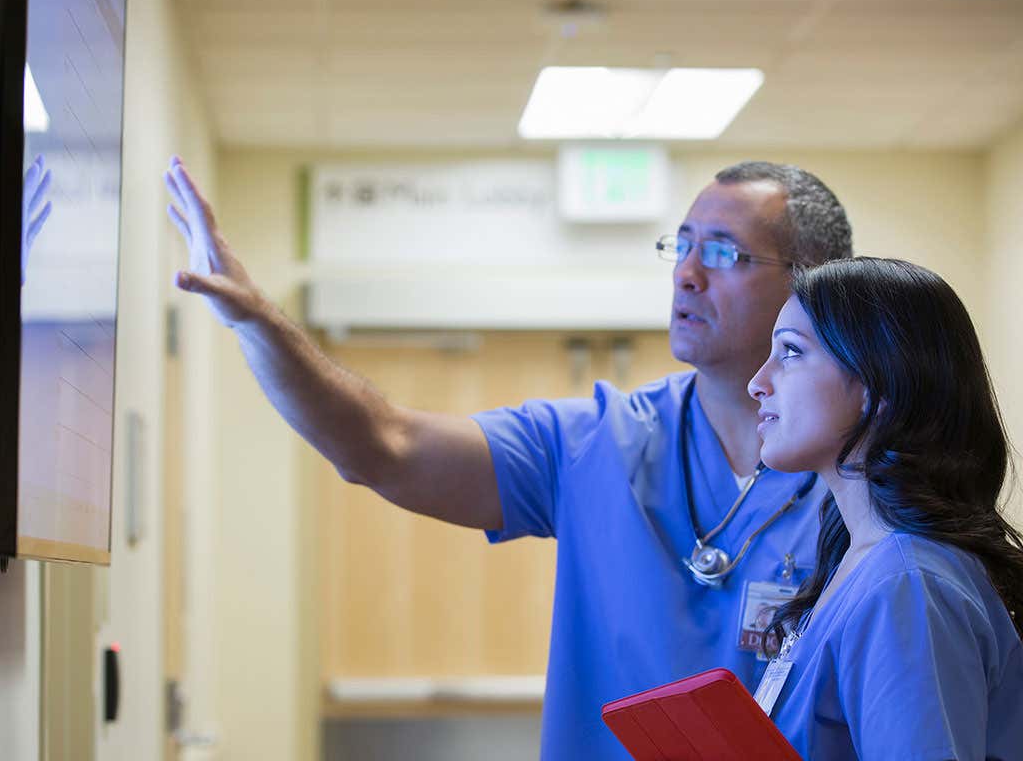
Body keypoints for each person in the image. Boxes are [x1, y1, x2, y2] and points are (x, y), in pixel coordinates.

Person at [164, 156, 853, 758]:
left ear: (816, 283)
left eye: (725, 253)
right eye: (681, 245)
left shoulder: (869, 475)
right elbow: (382, 448)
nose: (688, 274)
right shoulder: (594, 442)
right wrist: (256, 321)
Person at [747, 257, 1023, 759]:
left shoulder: (909, 584)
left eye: (790, 352)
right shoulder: (862, 564)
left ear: (880, 385)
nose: (758, 382)